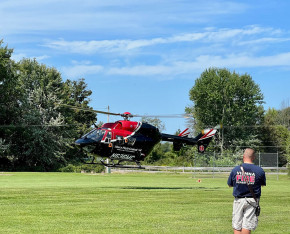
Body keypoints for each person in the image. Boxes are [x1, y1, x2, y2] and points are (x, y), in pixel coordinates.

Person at [227, 148, 266, 234]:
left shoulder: (235, 169)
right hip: (252, 200)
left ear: (243, 156)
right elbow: (262, 184)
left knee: (237, 225)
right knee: (247, 225)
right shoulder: (259, 170)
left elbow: (230, 184)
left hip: (238, 200)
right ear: (254, 157)